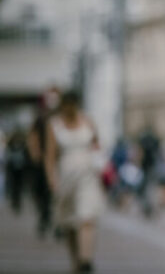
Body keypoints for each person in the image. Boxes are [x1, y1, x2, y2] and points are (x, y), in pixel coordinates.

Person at [44, 91, 104, 273]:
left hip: (87, 175)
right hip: (66, 175)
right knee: (70, 222)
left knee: (87, 217)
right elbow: (50, 155)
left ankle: (86, 260)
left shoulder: (87, 121)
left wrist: (100, 164)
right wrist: (51, 179)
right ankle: (75, 262)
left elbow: (97, 145)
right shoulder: (54, 125)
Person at [28, 86, 61, 236]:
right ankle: (44, 217)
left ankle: (58, 222)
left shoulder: (61, 116)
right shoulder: (41, 118)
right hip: (42, 162)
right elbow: (32, 137)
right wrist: (36, 155)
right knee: (42, 192)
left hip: (59, 161)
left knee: (58, 193)